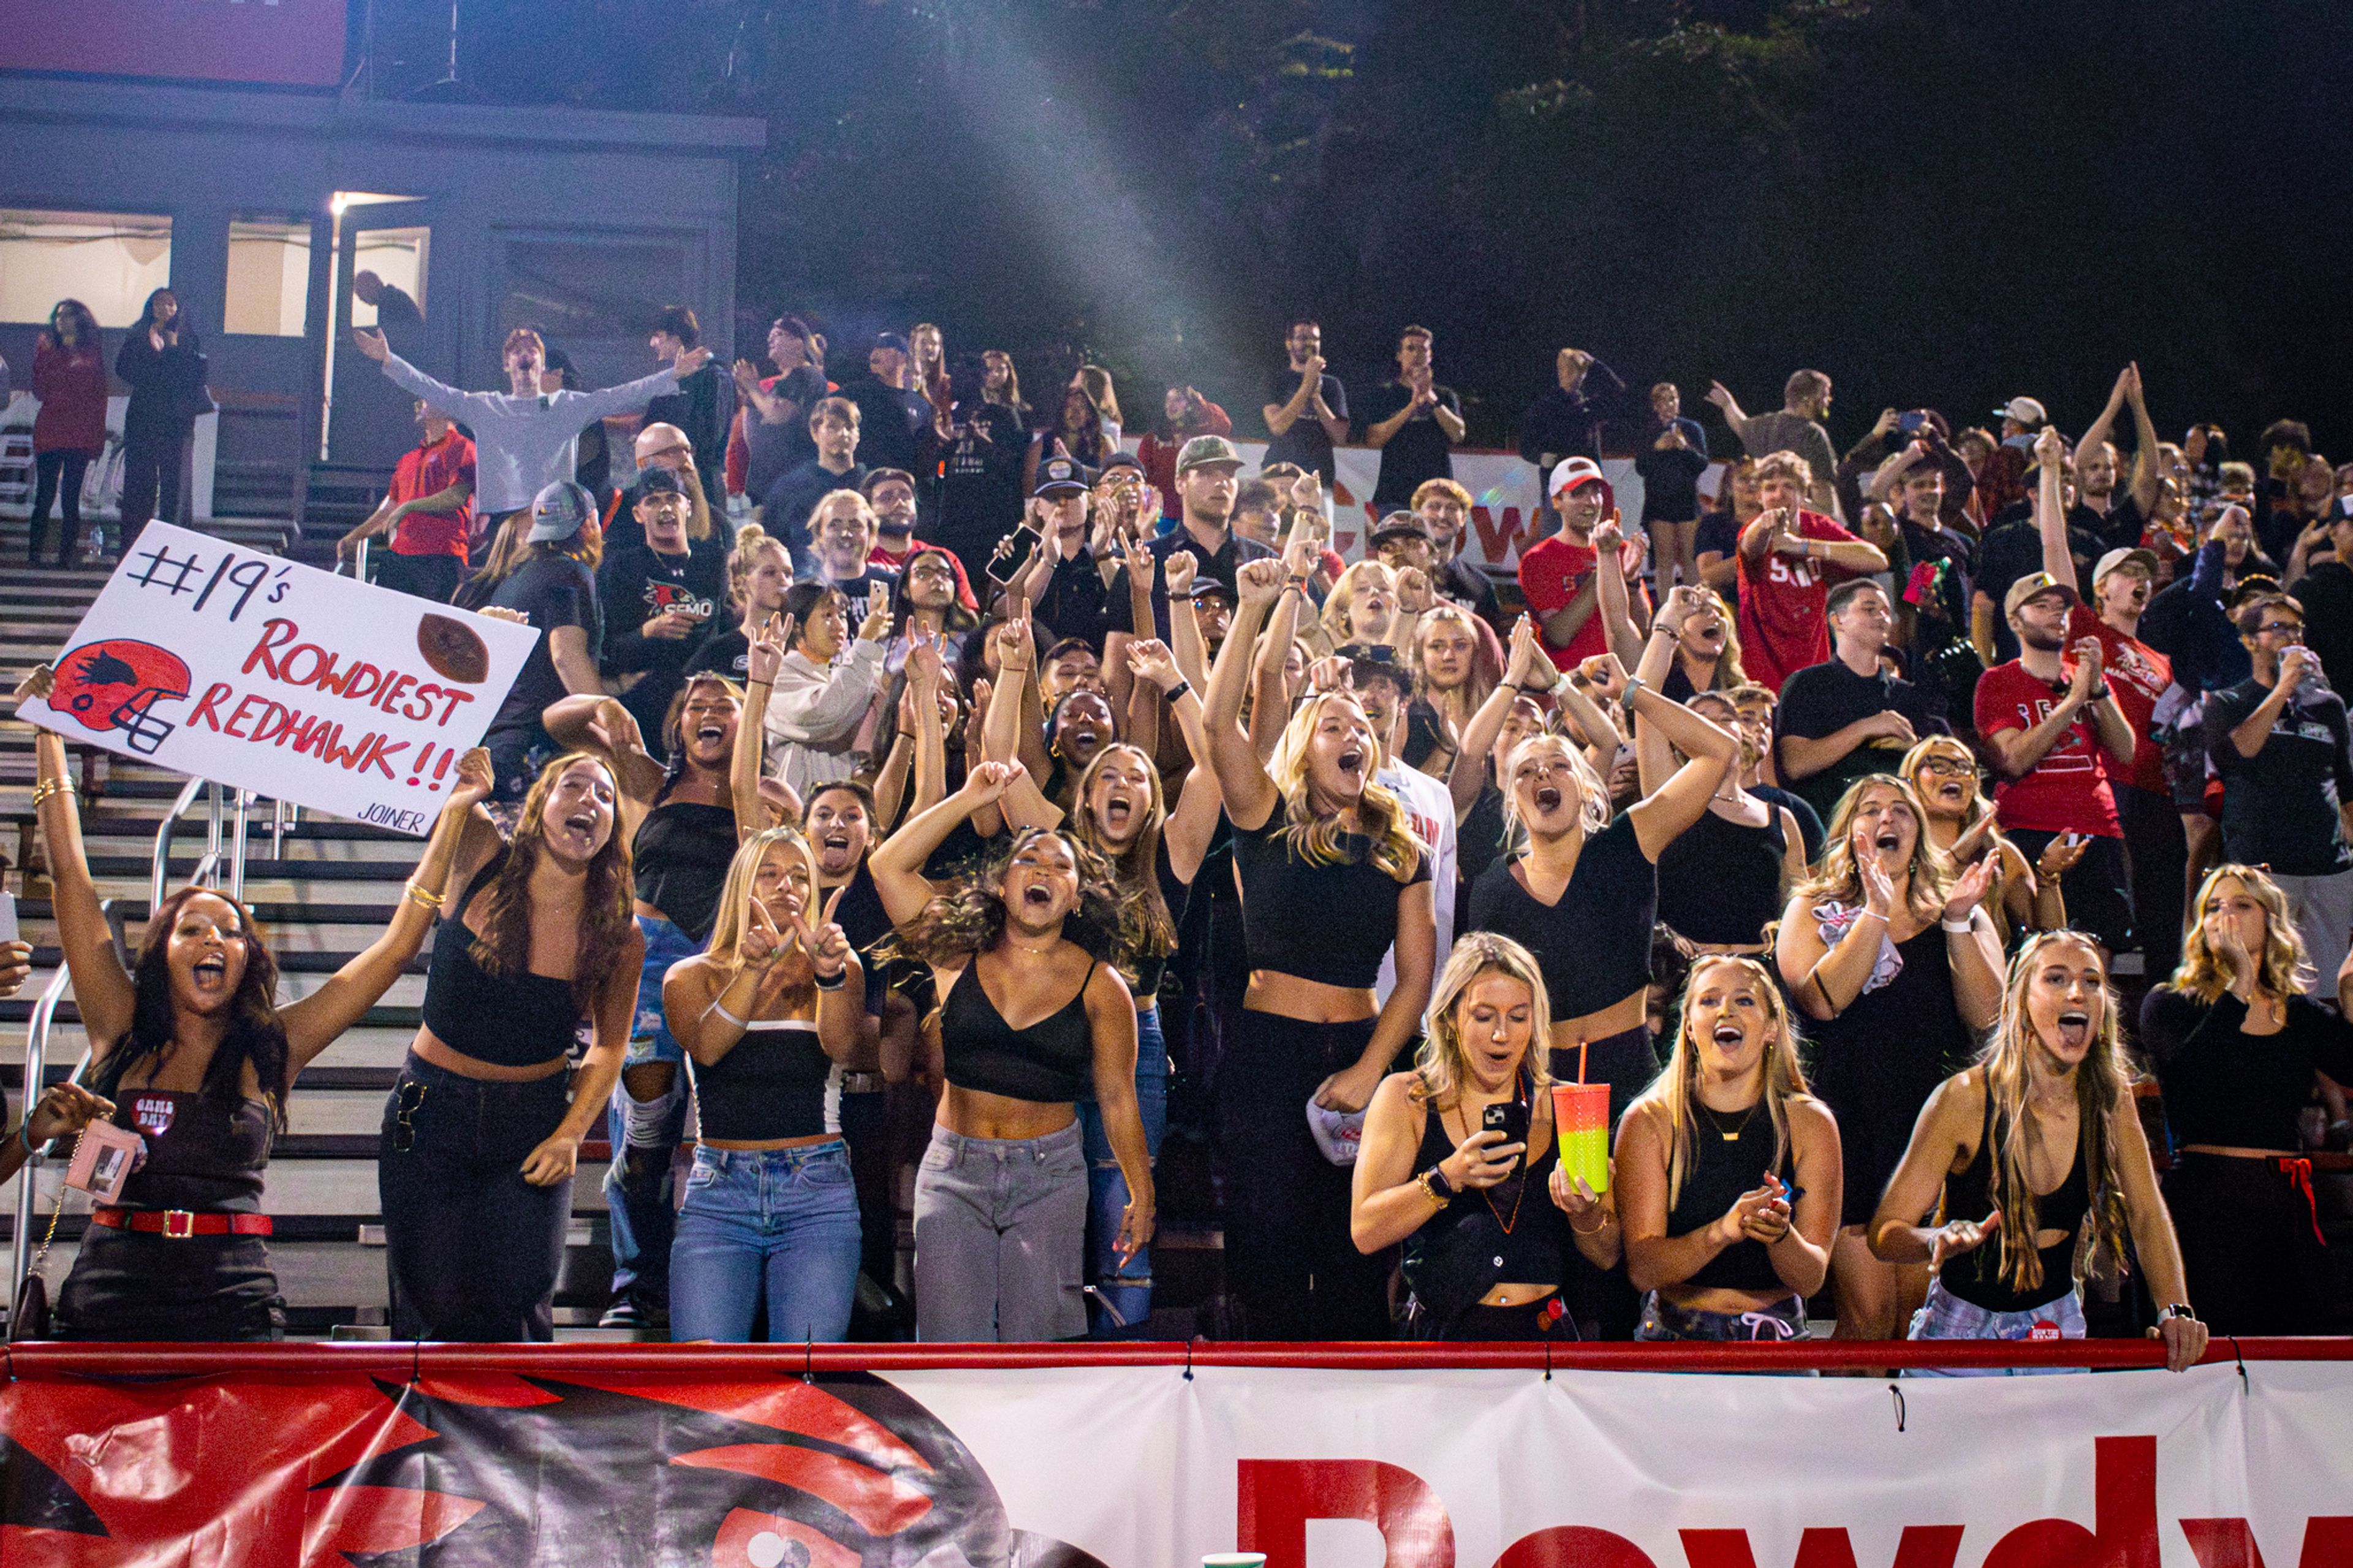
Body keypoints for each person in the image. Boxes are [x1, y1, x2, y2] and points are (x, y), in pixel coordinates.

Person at [21, 672, 489, 1339]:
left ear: (247, 959)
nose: (213, 940)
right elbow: (71, 870)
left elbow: (393, 950)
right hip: (111, 1292)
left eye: (230, 931)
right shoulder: (118, 1025)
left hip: (232, 1296)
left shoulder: (276, 1044)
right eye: (192, 929)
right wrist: (48, 731)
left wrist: (453, 814)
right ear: (160, 954)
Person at [1197, 555, 1436, 1338]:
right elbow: (1215, 720)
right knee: (1267, 1253)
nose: (1352, 735)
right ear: (1304, 747)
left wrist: (1371, 1071)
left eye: (1363, 728)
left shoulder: (1401, 845)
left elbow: (1416, 980)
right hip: (1267, 1054)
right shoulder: (1263, 817)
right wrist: (1253, 607)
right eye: (1333, 724)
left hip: (1364, 1052)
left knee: (1354, 1258)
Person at [868, 761, 1154, 1341]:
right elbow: (887, 865)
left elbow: (1119, 1099)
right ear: (1003, 884)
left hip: (1049, 1177)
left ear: (1076, 897)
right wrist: (969, 797)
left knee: (1036, 1356)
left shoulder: (1103, 986)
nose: (1043, 870)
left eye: (1060, 866)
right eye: (1028, 859)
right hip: (955, 1171)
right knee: (951, 1353)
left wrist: (1141, 1191)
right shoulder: (956, 954)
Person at [379, 750, 642, 1342]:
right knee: (428, 1310)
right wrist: (465, 781)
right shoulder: (477, 849)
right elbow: (419, 758)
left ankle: (517, 1434)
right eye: (573, 786)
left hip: (533, 1120)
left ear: (614, 829)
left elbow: (609, 1046)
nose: (589, 802)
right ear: (540, 803)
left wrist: (571, 1131)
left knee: (519, 1311)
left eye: (604, 796)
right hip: (429, 1109)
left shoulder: (621, 930)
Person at [998, 651, 1221, 1335]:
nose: (1122, 785)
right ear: (1088, 796)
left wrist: (1175, 687)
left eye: (1138, 777)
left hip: (1141, 1052)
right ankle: (1057, 1353)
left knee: (1124, 1208)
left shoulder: (1175, 854)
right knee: (1058, 1209)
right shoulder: (1058, 851)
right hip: (1059, 1043)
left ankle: (1122, 1358)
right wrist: (1014, 669)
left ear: (1152, 799)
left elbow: (1214, 768)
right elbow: (1003, 770)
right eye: (1109, 778)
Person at [1874, 933, 2207, 1369]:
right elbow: (1886, 1232)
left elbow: (2146, 1213)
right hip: (1959, 1329)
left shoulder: (2110, 1098)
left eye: (2092, 981)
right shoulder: (1965, 1098)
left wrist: (2175, 1309)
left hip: (2054, 1324)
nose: (2077, 992)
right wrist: (1933, 1239)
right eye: (2056, 978)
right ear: (2021, 1000)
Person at [544, 666, 757, 1334]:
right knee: (644, 1133)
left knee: (730, 1134)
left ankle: (722, 1284)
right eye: (698, 704)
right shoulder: (645, 780)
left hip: (730, 960)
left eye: (727, 703)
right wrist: (607, 703)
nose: (711, 711)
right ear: (680, 723)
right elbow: (559, 722)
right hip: (654, 953)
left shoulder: (767, 794)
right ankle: (637, 1286)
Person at [1466, 634, 1740, 1126]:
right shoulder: (1494, 888)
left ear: (1588, 790)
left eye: (1559, 766)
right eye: (1526, 770)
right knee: (1565, 1201)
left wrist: (1631, 693)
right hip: (1542, 1086)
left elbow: (1718, 751)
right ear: (1513, 800)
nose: (1542, 774)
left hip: (1632, 1073)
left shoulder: (1626, 843)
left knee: (1637, 1204)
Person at [1775, 775, 2004, 1340]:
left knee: (1918, 1325)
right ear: (1848, 831)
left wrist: (1953, 922)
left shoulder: (1961, 909)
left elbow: (1988, 1012)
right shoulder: (1812, 907)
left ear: (1919, 833)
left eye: (1902, 810)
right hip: (1851, 1126)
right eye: (1870, 808)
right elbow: (1822, 1000)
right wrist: (1875, 909)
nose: (1887, 819)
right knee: (1871, 1320)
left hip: (1935, 1128)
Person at [1351, 933, 1622, 1339]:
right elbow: (1366, 1230)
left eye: (1518, 1016)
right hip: (1445, 1340)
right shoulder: (1407, 1097)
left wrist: (1584, 1213)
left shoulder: (1570, 1105)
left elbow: (1607, 1253)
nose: (1502, 1034)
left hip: (1544, 1339)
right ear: (1449, 1018)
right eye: (1484, 1016)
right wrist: (1447, 1177)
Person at [662, 827, 867, 1341]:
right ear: (741, 884)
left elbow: (844, 1048)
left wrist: (830, 977)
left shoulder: (840, 966)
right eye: (770, 873)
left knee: (805, 1377)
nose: (786, 887)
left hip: (815, 1191)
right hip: (719, 1193)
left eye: (800, 875)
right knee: (707, 1382)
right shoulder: (689, 975)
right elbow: (708, 1048)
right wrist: (753, 969)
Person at [2140, 866, 2353, 1335]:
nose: (2225, 916)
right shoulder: (2172, 1002)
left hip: (2286, 1203)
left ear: (2270, 919)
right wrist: (2237, 987)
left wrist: (2349, 992)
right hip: (2208, 1201)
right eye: (2213, 907)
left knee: (2302, 1347)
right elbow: (2192, 1077)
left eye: (2241, 905)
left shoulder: (2298, 1011)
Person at [2028, 425, 2185, 976]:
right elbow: (2053, 549)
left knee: (2166, 916)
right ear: (2101, 588)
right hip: (2111, 787)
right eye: (2126, 573)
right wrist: (2050, 472)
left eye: (2145, 575)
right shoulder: (2089, 628)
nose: (2140, 582)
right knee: (2117, 918)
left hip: (2160, 794)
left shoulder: (2160, 658)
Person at [1618, 955, 1840, 1341]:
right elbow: (1643, 1270)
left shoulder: (1811, 1124)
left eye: (1744, 1000)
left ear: (1772, 1028)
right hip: (1676, 1334)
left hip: (1777, 1334)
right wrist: (1721, 1232)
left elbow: (1811, 1279)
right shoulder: (1650, 1120)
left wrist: (1781, 1235)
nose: (1726, 1010)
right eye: (1709, 1000)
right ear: (1688, 1027)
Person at [358, 324, 707, 539]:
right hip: (505, 520)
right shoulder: (486, 406)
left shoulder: (568, 405)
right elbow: (434, 390)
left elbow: (621, 395)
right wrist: (389, 360)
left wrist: (671, 376)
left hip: (555, 518)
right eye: (517, 351)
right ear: (506, 364)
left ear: (542, 365)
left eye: (533, 351)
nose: (525, 355)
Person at [1973, 569, 2137, 958]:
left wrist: (2095, 690)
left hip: (2098, 829)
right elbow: (2012, 760)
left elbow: (2126, 751)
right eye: (2041, 606)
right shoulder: (1997, 681)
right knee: (2035, 953)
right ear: (2015, 621)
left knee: (2101, 948)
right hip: (2030, 827)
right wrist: (2073, 701)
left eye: (2062, 607)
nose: (2056, 614)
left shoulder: (2085, 681)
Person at [2202, 592, 2353, 988]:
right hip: (2263, 869)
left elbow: (2346, 790)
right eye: (2278, 627)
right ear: (2250, 640)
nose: (2292, 637)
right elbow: (2238, 753)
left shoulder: (2329, 707)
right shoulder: (2227, 701)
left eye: (2297, 628)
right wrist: (2283, 688)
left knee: (2329, 987)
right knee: (2265, 984)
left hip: (2329, 869)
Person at [1649, 687, 1808, 957]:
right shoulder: (1670, 804)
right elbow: (1646, 703)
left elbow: (1801, 911)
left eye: (1726, 718)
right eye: (1701, 718)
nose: (1715, 726)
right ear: (1679, 740)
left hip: (1761, 971)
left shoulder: (1781, 819)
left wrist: (1759, 950)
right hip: (1686, 977)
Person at [1772, 579, 1940, 825]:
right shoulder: (1807, 685)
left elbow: (1935, 772)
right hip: (1832, 828)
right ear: (1837, 620)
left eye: (1886, 611)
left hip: (1896, 829)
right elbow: (1796, 764)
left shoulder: (1907, 696)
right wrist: (1866, 728)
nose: (1882, 617)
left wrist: (1913, 750)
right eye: (1869, 609)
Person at [482, 482, 607, 801]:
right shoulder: (571, 573)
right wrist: (608, 718)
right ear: (590, 523)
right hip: (541, 747)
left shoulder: (514, 581)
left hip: (500, 741)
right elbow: (565, 654)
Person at [1736, 452, 1888, 692]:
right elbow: (1750, 544)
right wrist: (1767, 526)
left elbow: (1877, 559)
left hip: (1813, 665)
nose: (1778, 494)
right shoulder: (1753, 530)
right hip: (1763, 670)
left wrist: (1802, 546)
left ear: (1803, 493)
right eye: (1770, 488)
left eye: (1788, 486)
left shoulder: (1817, 527)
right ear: (1759, 496)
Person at [1904, 735, 2071, 946]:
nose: (1954, 772)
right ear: (1909, 780)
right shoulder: (1898, 852)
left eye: (1964, 767)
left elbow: (2051, 943)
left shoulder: (1999, 854)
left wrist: (2048, 876)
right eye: (1938, 765)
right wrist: (1962, 850)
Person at [753, 580, 892, 799]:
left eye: (843, 616)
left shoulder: (842, 674)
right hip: (796, 818)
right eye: (828, 616)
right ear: (797, 626)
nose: (839, 625)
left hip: (845, 810)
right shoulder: (778, 675)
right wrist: (865, 644)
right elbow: (824, 714)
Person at [336, 399, 477, 603]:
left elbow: (456, 496)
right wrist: (355, 536)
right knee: (389, 621)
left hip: (441, 555)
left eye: (427, 399)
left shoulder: (462, 447)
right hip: (401, 554)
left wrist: (409, 507)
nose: (419, 405)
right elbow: (390, 507)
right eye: (419, 401)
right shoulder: (409, 459)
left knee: (431, 626)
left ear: (448, 410)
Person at [1520, 457, 1645, 672]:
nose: (1591, 502)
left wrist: (1631, 580)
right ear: (1557, 501)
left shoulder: (1620, 550)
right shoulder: (1539, 558)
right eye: (1578, 494)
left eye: (1596, 492)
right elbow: (1558, 636)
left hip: (1619, 681)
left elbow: (1643, 631)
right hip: (1572, 684)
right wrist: (1606, 567)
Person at [115, 288, 208, 546]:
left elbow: (191, 376)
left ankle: (174, 542)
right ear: (151, 307)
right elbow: (124, 368)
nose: (165, 309)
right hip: (144, 416)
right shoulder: (137, 335)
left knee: (175, 484)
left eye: (171, 304)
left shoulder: (188, 338)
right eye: (159, 304)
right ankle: (133, 542)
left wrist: (174, 348)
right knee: (139, 481)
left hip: (176, 421)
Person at [28, 298, 107, 567]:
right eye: (58, 316)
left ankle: (66, 557)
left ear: (80, 319)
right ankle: (34, 555)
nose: (62, 320)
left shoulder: (91, 352)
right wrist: (44, 356)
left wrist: (97, 436)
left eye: (69, 316)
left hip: (80, 432)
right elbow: (39, 390)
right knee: (45, 495)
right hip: (51, 429)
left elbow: (98, 395)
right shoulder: (49, 349)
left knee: (71, 498)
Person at [1707, 370, 1839, 515]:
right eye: (1825, 396)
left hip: (1764, 515)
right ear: (1809, 400)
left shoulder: (1761, 426)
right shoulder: (1813, 434)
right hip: (1799, 520)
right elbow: (1826, 501)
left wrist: (1728, 405)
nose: (1828, 401)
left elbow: (1739, 424)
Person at [1362, 325, 1465, 510]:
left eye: (1423, 349)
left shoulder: (1445, 396)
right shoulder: (1384, 394)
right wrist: (1412, 407)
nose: (1417, 354)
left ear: (1430, 356)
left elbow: (1458, 434)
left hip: (1436, 497)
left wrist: (1431, 398)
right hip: (1395, 494)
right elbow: (1373, 439)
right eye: (1410, 348)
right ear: (1399, 355)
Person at [760, 396, 867, 572]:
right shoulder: (788, 489)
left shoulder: (874, 485)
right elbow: (772, 545)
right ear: (815, 432)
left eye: (849, 427)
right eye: (832, 426)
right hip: (805, 585)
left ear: (858, 435)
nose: (843, 434)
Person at [729, 314, 828, 501]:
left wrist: (751, 386)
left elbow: (777, 415)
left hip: (792, 484)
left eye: (779, 335)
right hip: (766, 484)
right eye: (770, 337)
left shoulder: (806, 376)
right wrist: (747, 390)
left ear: (799, 343)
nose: (770, 340)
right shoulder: (780, 382)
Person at [643, 305, 728, 502]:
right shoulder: (668, 379)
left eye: (658, 336)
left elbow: (711, 434)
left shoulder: (713, 376)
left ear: (676, 338)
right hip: (670, 482)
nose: (652, 343)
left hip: (700, 486)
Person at [1634, 382, 1711, 592]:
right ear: (1655, 406)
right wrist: (1657, 449)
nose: (1668, 404)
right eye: (1662, 401)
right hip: (1659, 503)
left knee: (1690, 558)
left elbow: (1702, 464)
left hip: (1687, 502)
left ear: (1679, 402)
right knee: (1664, 560)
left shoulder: (1692, 429)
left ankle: (1694, 606)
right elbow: (1641, 467)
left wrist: (1684, 447)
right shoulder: (1649, 431)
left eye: (1672, 399)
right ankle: (1666, 613)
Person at [1262, 319, 1351, 485]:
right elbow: (1277, 426)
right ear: (1289, 343)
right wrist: (1307, 384)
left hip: (1319, 475)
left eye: (1315, 339)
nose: (1310, 343)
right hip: (1281, 474)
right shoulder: (1276, 380)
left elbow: (1340, 437)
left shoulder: (1332, 385)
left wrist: (1317, 398)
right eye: (1303, 338)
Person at [1519, 348, 1625, 482]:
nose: (1573, 376)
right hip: (1558, 478)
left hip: (1588, 475)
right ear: (1560, 373)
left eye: (1578, 371)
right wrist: (1540, 457)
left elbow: (1619, 392)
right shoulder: (1545, 406)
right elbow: (1526, 446)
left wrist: (1595, 363)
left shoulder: (1589, 404)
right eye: (1567, 370)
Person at [1413, 478, 1506, 629]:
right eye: (1434, 507)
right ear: (1417, 516)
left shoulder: (1481, 585)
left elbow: (1492, 645)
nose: (1442, 515)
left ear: (1463, 519)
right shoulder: (1398, 576)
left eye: (1451, 508)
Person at [838, 331, 931, 479]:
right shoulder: (855, 392)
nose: (875, 352)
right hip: (864, 481)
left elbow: (924, 452)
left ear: (903, 357)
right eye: (874, 348)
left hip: (903, 484)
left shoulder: (920, 404)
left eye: (884, 347)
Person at [1137, 385, 1233, 517]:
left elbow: (1224, 425)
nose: (1171, 405)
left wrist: (1201, 403)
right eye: (1168, 400)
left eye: (1178, 400)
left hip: (1199, 514)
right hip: (1164, 516)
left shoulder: (1202, 437)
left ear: (1191, 405)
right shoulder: (1152, 440)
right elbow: (1143, 477)